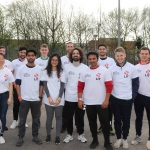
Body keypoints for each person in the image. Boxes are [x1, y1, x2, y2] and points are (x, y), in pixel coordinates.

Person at [78, 51, 113, 150]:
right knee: (92, 122)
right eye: (90, 59)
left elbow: (109, 86)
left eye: (94, 58)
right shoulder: (84, 72)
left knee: (105, 123)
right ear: (87, 60)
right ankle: (95, 140)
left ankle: (107, 142)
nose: (92, 61)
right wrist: (80, 100)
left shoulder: (105, 71)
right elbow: (80, 87)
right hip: (89, 102)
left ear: (97, 59)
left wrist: (106, 100)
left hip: (102, 102)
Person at [109, 47, 139, 149]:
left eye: (121, 55)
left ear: (125, 55)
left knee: (126, 120)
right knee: (117, 120)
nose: (120, 57)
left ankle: (125, 139)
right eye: (118, 56)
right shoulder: (111, 68)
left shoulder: (132, 68)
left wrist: (132, 97)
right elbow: (109, 84)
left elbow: (136, 84)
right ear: (115, 56)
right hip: (115, 98)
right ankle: (118, 139)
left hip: (127, 99)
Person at [15, 50, 43, 147]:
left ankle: (35, 136)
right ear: (26, 57)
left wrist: (39, 97)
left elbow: (41, 84)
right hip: (25, 99)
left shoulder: (39, 69)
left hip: (35, 100)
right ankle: (20, 137)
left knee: (36, 120)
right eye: (29, 55)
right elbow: (17, 83)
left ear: (35, 56)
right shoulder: (21, 69)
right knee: (22, 120)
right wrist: (19, 96)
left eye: (32, 55)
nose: (31, 57)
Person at [63, 47, 88, 143]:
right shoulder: (66, 67)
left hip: (82, 99)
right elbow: (63, 82)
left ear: (80, 55)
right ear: (71, 55)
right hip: (69, 97)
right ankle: (69, 134)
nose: (75, 55)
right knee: (68, 117)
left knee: (80, 117)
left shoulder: (85, 68)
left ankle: (81, 134)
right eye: (74, 53)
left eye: (77, 53)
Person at [41, 53, 65, 144]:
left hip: (59, 99)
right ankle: (48, 135)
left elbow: (62, 86)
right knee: (49, 118)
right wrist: (49, 97)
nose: (54, 62)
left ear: (58, 62)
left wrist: (59, 98)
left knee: (59, 117)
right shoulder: (45, 71)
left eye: (56, 60)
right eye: (53, 60)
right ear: (50, 61)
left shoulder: (62, 71)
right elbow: (45, 86)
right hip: (49, 99)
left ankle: (57, 136)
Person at [131, 47, 150, 149]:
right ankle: (138, 136)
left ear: (149, 55)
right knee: (139, 117)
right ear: (139, 55)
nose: (144, 55)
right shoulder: (135, 67)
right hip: (138, 96)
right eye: (142, 53)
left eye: (146, 53)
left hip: (149, 96)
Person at [97, 44, 115, 135]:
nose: (102, 50)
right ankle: (101, 125)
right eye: (100, 49)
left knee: (109, 109)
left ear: (106, 50)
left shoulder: (111, 60)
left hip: (109, 89)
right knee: (101, 109)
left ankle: (110, 126)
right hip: (99, 89)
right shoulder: (96, 60)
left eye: (103, 49)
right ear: (98, 51)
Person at [10, 47, 28, 129]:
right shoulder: (14, 62)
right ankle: (15, 120)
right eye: (21, 52)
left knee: (24, 104)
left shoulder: (28, 61)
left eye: (24, 52)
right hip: (16, 86)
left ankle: (23, 121)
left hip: (26, 87)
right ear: (19, 53)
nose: (23, 54)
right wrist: (14, 83)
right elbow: (11, 74)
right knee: (16, 104)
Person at [0, 53, 14, 144]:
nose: (0, 61)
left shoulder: (7, 71)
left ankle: (1, 134)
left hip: (4, 96)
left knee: (2, 116)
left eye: (2, 59)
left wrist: (10, 97)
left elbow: (10, 85)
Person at [61, 41, 74, 133]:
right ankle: (64, 125)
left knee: (78, 109)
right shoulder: (62, 59)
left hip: (75, 88)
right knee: (65, 109)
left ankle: (78, 125)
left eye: (71, 46)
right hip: (64, 87)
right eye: (68, 46)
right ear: (66, 48)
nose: (70, 48)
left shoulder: (77, 58)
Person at [35, 44, 50, 128]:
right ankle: (38, 120)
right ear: (40, 50)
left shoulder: (51, 60)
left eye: (45, 50)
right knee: (39, 104)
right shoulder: (36, 61)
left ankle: (49, 120)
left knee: (49, 104)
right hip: (39, 85)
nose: (44, 51)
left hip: (49, 85)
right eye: (42, 50)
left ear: (48, 51)